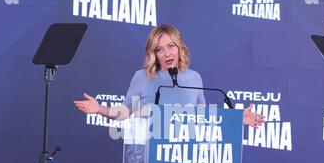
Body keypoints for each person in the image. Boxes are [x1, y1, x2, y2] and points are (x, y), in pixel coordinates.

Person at [74, 24, 265, 128]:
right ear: (153, 54)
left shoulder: (194, 78)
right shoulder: (141, 77)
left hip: (186, 157)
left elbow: (204, 117)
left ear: (180, 48)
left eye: (171, 46)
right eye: (160, 49)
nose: (167, 54)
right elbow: (125, 112)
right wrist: (99, 109)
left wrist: (237, 118)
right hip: (151, 155)